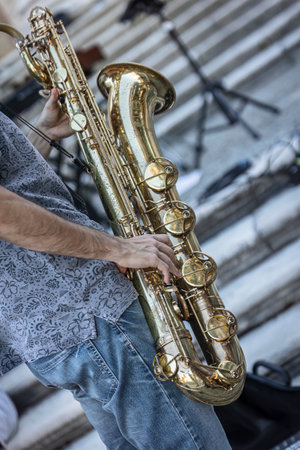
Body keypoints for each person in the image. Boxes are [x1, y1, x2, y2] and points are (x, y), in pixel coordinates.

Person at [0, 89, 231, 449]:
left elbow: (12, 190)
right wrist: (117, 247)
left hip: (57, 330)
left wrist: (39, 134)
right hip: (89, 313)